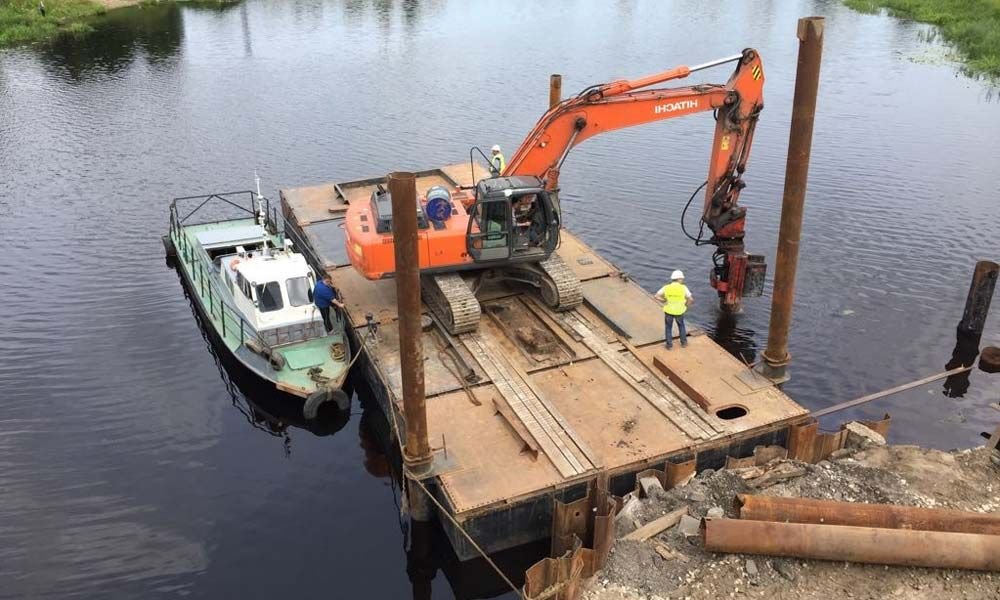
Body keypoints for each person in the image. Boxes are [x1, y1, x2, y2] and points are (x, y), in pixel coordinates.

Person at [654, 270, 693, 350]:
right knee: (681, 326)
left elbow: (656, 296)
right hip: (679, 311)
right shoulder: (683, 288)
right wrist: (686, 306)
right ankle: (684, 343)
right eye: (682, 279)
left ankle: (669, 345)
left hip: (669, 311)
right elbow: (691, 299)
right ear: (679, 279)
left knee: (668, 327)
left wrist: (663, 300)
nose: (682, 280)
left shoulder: (666, 287)